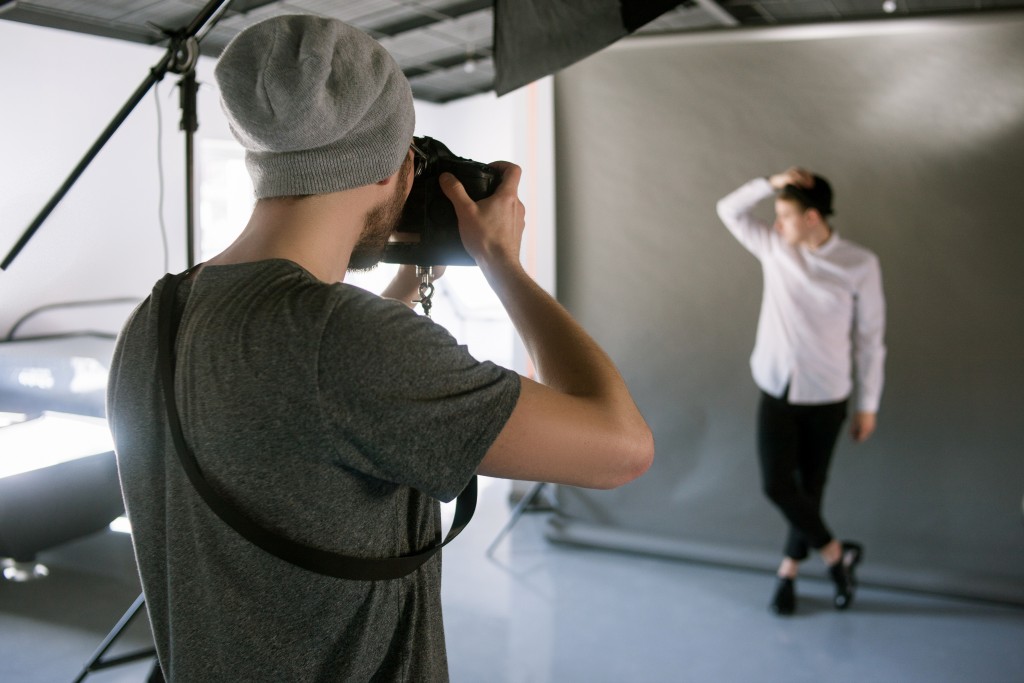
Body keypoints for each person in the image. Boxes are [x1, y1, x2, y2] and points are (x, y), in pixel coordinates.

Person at [106, 14, 653, 682]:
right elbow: (621, 448)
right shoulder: (347, 344)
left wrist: (409, 280)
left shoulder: (158, 315)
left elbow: (310, 411)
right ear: (395, 168)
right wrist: (504, 263)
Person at [715, 167, 885, 616]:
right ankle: (836, 556)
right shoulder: (775, 248)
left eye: (786, 215)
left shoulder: (859, 264)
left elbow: (871, 339)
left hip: (828, 395)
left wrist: (868, 405)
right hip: (776, 386)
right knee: (777, 484)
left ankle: (788, 570)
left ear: (812, 218)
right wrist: (770, 183)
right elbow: (727, 210)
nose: (777, 224)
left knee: (810, 488)